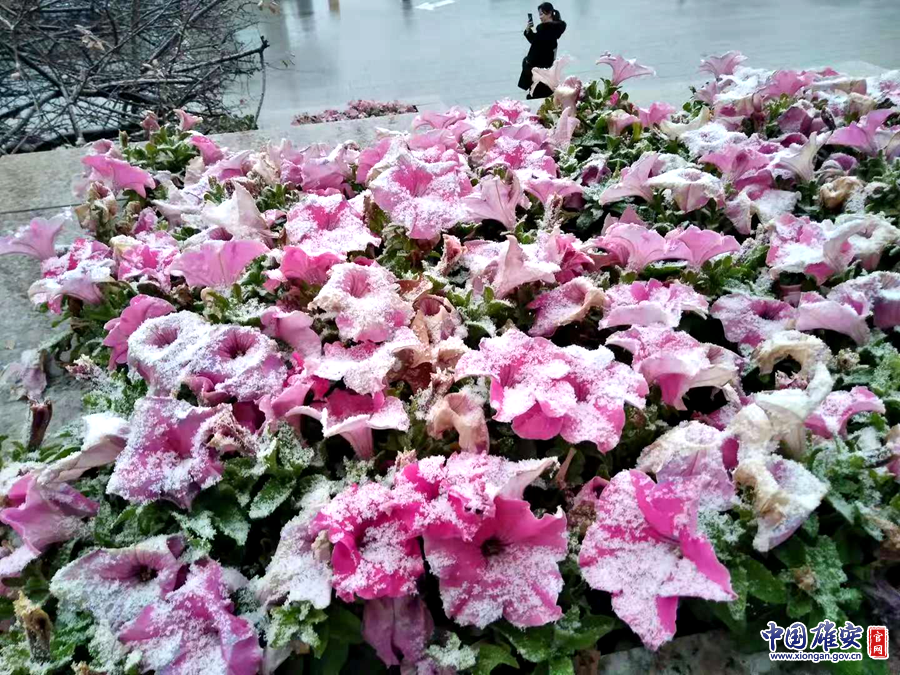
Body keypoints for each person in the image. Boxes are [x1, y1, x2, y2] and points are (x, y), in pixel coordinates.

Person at [517, 3, 567, 99]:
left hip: (539, 72)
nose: (540, 17)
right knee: (544, 94)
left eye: (542, 14)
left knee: (537, 95)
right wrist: (528, 31)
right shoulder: (551, 30)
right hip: (546, 70)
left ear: (549, 13)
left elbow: (537, 48)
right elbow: (536, 42)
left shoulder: (545, 30)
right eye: (539, 14)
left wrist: (527, 63)